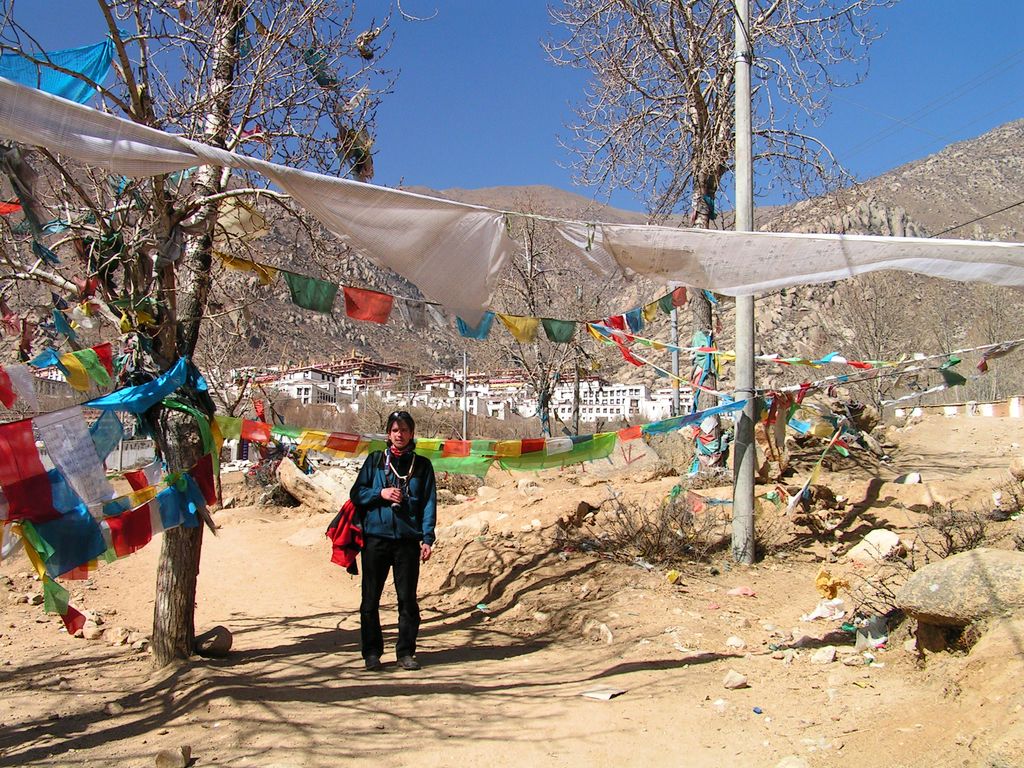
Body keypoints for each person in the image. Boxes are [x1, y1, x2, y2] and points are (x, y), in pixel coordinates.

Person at [349, 410, 436, 671]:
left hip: (408, 540)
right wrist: (381, 493)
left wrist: (427, 537)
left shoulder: (422, 466)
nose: (400, 435)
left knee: (407, 599)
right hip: (376, 537)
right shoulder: (375, 460)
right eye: (395, 430)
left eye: (405, 430)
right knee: (370, 599)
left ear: (412, 434)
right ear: (389, 433)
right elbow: (356, 493)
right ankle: (372, 653)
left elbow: (429, 503)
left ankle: (406, 652)